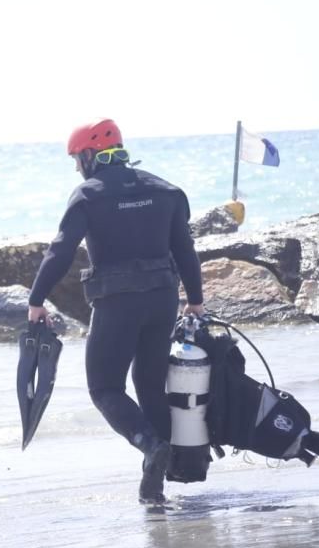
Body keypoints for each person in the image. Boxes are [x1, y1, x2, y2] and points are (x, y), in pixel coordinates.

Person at [27, 118, 205, 504]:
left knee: (105, 387)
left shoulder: (88, 196)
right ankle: (156, 483)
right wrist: (195, 298)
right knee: (149, 386)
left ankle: (149, 444)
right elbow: (185, 251)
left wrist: (36, 300)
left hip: (117, 303)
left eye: (77, 158)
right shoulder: (166, 190)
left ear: (91, 154)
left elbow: (60, 252)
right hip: (162, 300)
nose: (76, 166)